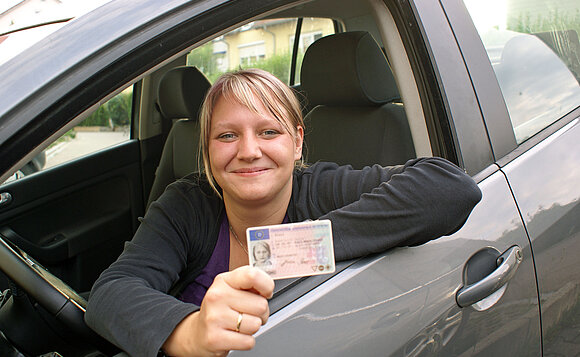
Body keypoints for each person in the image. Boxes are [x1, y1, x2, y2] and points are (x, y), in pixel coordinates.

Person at [85, 68, 482, 357]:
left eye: (269, 132)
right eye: (227, 135)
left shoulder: (322, 187)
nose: (249, 150)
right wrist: (192, 332)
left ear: (296, 141)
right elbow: (112, 292)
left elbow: (449, 188)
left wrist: (293, 249)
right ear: (206, 149)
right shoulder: (187, 203)